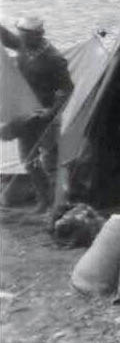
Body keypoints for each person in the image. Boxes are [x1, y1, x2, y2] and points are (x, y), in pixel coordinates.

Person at [0, 17, 73, 212]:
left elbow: (66, 89)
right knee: (28, 159)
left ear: (37, 35)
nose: (21, 38)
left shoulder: (54, 58)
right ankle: (44, 197)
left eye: (25, 35)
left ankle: (58, 201)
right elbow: (6, 38)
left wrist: (51, 111)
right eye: (20, 34)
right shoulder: (24, 46)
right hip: (26, 114)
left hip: (46, 117)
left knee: (51, 159)